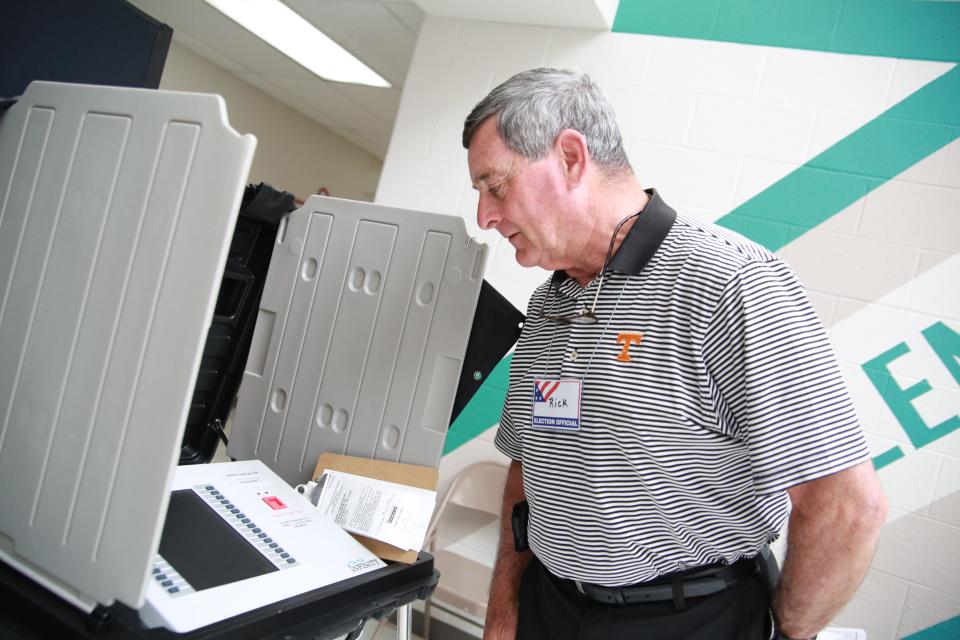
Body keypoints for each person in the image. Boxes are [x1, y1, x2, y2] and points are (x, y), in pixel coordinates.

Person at [461, 68, 887, 640]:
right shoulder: (548, 304)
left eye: (495, 186)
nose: (485, 216)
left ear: (569, 157)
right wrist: (504, 614)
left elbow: (845, 505)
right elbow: (526, 472)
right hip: (549, 606)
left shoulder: (730, 284)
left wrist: (788, 634)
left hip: (686, 618)